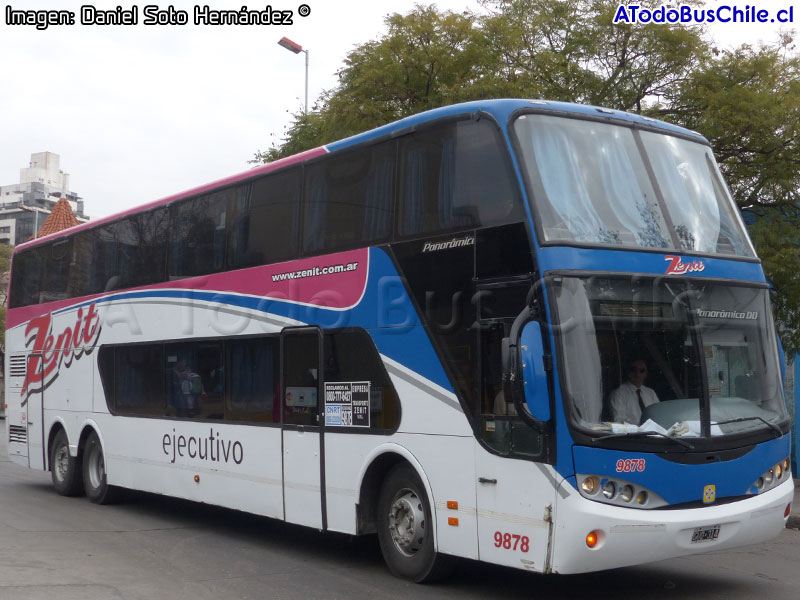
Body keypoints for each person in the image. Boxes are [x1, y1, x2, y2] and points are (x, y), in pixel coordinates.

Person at [610, 359, 659, 425]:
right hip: (632, 434)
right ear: (628, 372)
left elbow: (659, 415)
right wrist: (640, 426)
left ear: (646, 374)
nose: (637, 373)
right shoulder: (619, 393)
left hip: (653, 433)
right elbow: (619, 420)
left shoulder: (651, 393)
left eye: (641, 370)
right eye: (633, 369)